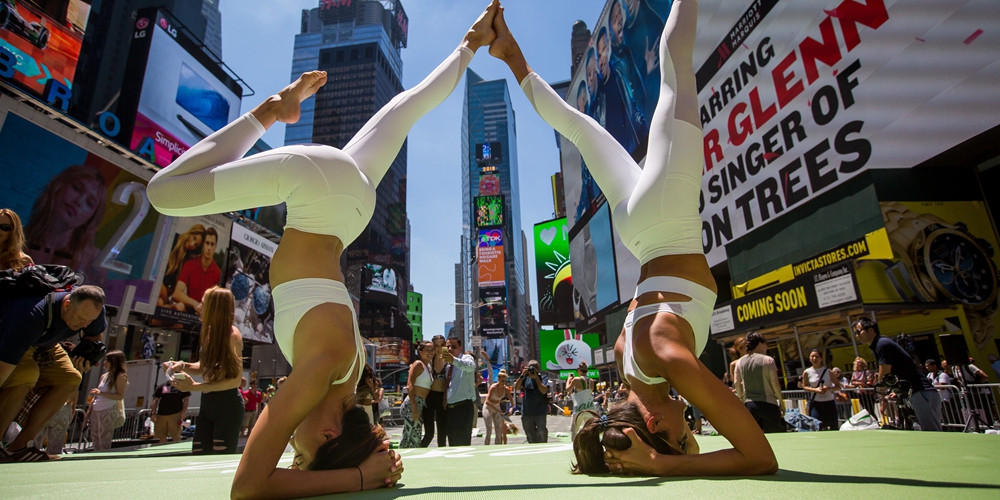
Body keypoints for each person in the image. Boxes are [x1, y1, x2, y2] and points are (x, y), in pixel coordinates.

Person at [147, 4, 497, 494]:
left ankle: (469, 44)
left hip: (349, 211)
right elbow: (248, 487)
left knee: (405, 109)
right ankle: (273, 109)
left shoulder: (353, 376)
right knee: (164, 191)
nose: (292, 445)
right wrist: (358, 476)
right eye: (302, 449)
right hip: (314, 191)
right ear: (330, 433)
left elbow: (347, 443)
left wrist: (372, 461)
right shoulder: (320, 378)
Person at [490, 0, 777, 476]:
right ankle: (510, 52)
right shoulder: (627, 362)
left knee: (673, 63)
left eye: (679, 433)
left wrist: (660, 465)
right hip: (638, 234)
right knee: (577, 128)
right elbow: (639, 309)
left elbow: (760, 457)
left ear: (650, 421)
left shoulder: (668, 360)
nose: (688, 423)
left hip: (668, 222)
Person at [0, 285, 106, 462]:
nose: (84, 325)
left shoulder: (91, 311)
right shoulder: (31, 315)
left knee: (71, 378)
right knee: (27, 374)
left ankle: (21, 446)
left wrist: (87, 354)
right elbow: (3, 370)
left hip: (47, 344)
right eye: (81, 319)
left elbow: (94, 335)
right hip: (15, 339)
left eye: (89, 321)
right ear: (67, 305)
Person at [164, 287, 244, 454]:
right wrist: (182, 365)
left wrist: (195, 387)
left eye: (203, 304)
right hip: (208, 405)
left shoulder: (232, 336)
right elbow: (202, 366)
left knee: (218, 460)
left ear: (214, 308)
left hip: (227, 406)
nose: (199, 307)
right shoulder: (209, 333)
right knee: (199, 454)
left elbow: (235, 381)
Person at [852, 317, 941, 431]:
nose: (857, 335)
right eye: (855, 333)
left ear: (871, 330)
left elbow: (884, 374)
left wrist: (881, 392)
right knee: (922, 432)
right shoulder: (877, 346)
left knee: (932, 433)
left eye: (859, 331)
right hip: (913, 394)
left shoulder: (882, 344)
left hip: (921, 392)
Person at [23, 165, 107, 281]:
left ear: (90, 218)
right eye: (76, 188)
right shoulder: (15, 239)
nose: (78, 201)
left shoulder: (92, 260)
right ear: (58, 186)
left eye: (89, 203)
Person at [733, 333, 784, 433]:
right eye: (766, 343)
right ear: (760, 344)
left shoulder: (739, 362)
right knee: (774, 439)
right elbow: (775, 384)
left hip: (750, 405)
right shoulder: (768, 360)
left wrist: (741, 398)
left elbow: (736, 382)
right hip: (769, 405)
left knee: (754, 439)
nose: (766, 347)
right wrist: (781, 402)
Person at [85, 350, 128, 451]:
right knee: (95, 440)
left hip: (108, 410)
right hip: (96, 409)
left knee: (104, 440)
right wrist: (88, 414)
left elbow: (119, 396)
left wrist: (100, 393)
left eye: (106, 360)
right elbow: (95, 396)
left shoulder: (120, 376)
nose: (104, 362)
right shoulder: (103, 376)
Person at [173, 227, 222, 314]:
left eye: (212, 244)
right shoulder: (190, 264)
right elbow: (177, 293)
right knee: (180, 306)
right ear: (203, 245)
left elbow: (216, 304)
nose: (209, 248)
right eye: (207, 243)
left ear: (215, 247)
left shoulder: (217, 273)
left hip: (204, 316)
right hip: (187, 311)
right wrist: (195, 304)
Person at [158, 224, 205, 310]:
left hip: (163, 293)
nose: (192, 244)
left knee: (161, 300)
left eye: (196, 245)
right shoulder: (172, 239)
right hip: (154, 285)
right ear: (191, 232)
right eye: (194, 238)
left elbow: (174, 289)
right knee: (159, 299)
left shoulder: (186, 259)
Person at [443, 336, 476, 446]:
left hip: (463, 407)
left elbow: (470, 367)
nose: (450, 349)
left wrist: (453, 360)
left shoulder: (466, 358)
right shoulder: (447, 365)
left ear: (460, 348)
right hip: (449, 409)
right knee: (452, 443)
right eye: (448, 347)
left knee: (462, 444)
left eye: (453, 347)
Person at [400, 341, 433, 448]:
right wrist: (414, 407)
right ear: (420, 352)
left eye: (432, 349)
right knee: (414, 439)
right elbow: (409, 385)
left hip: (419, 404)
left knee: (409, 438)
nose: (430, 352)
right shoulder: (418, 364)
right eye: (427, 350)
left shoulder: (428, 367)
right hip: (412, 403)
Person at [799, 349, 841, 431]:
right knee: (817, 426)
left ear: (821, 359)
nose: (814, 358)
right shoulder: (807, 372)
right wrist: (816, 390)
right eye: (812, 356)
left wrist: (829, 388)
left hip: (829, 403)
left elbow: (838, 386)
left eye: (816, 356)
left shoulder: (828, 371)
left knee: (834, 427)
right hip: (816, 403)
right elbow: (805, 386)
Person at [420, 335, 448, 448]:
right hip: (429, 398)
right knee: (429, 433)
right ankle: (419, 452)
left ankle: (443, 456)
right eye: (436, 345)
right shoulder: (428, 361)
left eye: (442, 345)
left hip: (443, 398)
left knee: (442, 432)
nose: (439, 348)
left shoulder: (449, 361)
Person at [514, 360, 548, 443]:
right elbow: (516, 388)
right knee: (529, 434)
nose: (533, 370)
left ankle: (543, 449)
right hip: (527, 411)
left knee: (542, 432)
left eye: (535, 368)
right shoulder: (525, 378)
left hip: (540, 411)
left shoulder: (542, 378)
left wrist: (536, 378)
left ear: (538, 369)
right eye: (531, 368)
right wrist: (522, 375)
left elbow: (544, 390)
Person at [151, 379, 191, 444]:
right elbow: (155, 400)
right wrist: (153, 413)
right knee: (160, 435)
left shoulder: (181, 386)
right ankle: (161, 450)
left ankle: (176, 450)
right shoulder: (162, 386)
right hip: (161, 415)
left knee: (176, 435)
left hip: (175, 414)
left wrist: (184, 412)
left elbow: (186, 399)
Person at [483, 369, 513, 445]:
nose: (503, 383)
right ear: (498, 379)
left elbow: (512, 402)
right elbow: (487, 401)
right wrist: (497, 410)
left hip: (497, 407)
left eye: (505, 381)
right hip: (488, 407)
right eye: (502, 381)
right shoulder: (493, 387)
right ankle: (486, 446)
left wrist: (511, 409)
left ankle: (498, 446)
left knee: (499, 430)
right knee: (489, 429)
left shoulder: (506, 389)